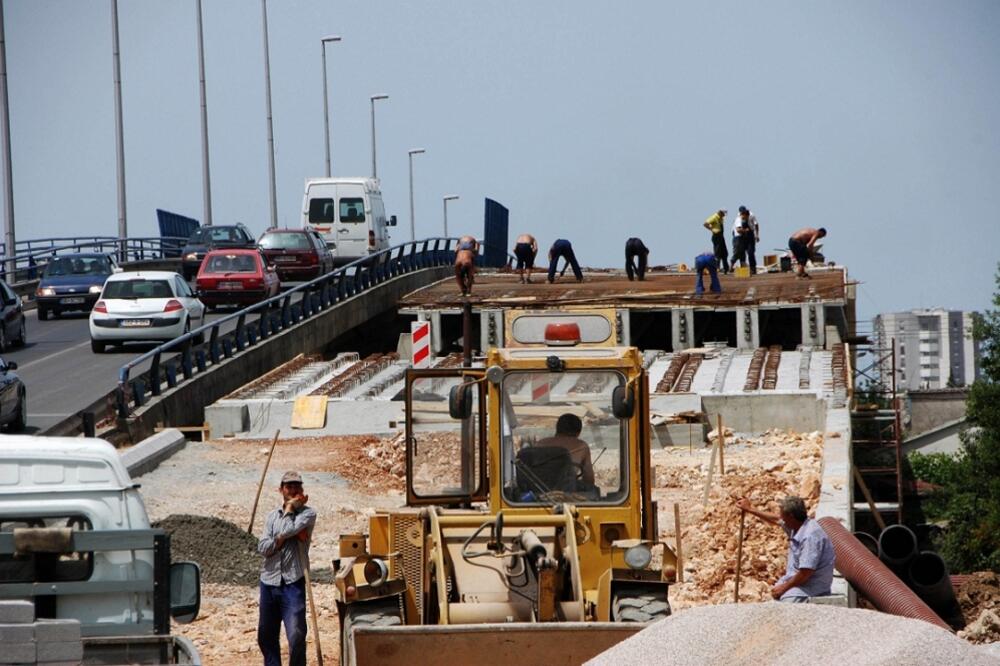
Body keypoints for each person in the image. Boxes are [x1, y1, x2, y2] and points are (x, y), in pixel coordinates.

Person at [257, 471, 317, 666]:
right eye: (288, 487)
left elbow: (287, 530)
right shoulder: (271, 517)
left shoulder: (308, 514)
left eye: (295, 487)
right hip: (269, 581)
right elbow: (263, 547)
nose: (292, 490)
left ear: (301, 490)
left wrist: (290, 509)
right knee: (266, 636)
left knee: (297, 635)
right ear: (281, 489)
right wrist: (279, 541)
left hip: (293, 582)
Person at [735, 496, 835, 602]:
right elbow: (776, 519)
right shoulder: (796, 525)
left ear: (791, 516)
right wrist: (750, 509)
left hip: (811, 586)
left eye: (783, 516)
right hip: (798, 580)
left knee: (786, 604)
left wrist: (783, 588)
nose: (782, 519)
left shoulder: (810, 537)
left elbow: (805, 572)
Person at [536, 413, 595, 487]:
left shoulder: (540, 443)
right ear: (578, 432)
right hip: (566, 489)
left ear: (557, 428)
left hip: (538, 488)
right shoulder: (581, 445)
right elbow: (589, 479)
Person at [730, 206, 759, 275]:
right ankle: (742, 267)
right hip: (741, 236)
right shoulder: (739, 218)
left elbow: (756, 225)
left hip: (750, 234)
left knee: (750, 252)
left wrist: (757, 235)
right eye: (742, 214)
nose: (744, 216)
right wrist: (745, 230)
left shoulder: (751, 215)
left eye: (745, 214)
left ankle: (753, 268)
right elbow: (738, 230)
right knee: (740, 252)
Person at [703, 209, 730, 274]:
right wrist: (712, 229)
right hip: (716, 236)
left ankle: (726, 268)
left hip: (721, 236)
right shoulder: (714, 217)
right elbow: (705, 224)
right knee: (717, 253)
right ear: (720, 213)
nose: (724, 216)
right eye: (723, 214)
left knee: (724, 253)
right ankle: (717, 267)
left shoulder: (721, 218)